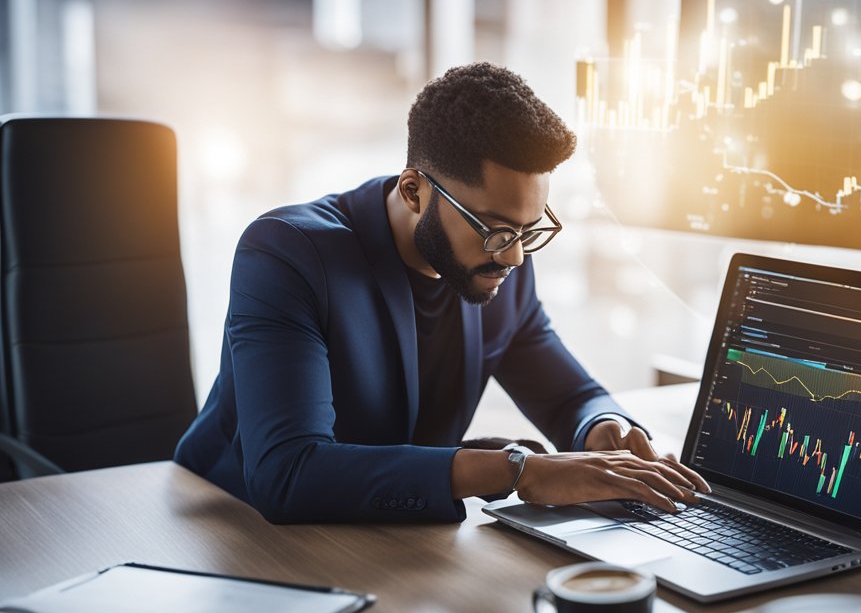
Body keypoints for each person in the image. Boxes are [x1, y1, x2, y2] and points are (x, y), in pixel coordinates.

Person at [174, 62, 709, 523]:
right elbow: (289, 473)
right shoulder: (289, 255)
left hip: (381, 538)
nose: (516, 257)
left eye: (528, 230)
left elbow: (570, 396)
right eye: (496, 229)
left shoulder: (503, 257)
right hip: (231, 524)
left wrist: (602, 429)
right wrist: (517, 470)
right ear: (413, 190)